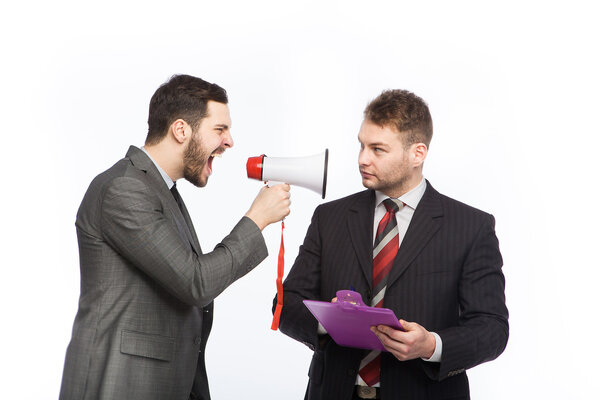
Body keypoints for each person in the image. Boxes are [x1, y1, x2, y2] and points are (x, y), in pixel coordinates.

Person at [59, 74, 291, 400]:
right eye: (220, 129)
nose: (230, 142)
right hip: (120, 386)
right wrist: (257, 220)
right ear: (181, 130)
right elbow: (196, 282)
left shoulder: (160, 189)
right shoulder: (124, 188)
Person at [276, 89, 508, 400]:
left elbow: (492, 328)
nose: (362, 158)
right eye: (361, 145)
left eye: (378, 149)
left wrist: (431, 345)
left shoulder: (471, 227)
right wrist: (326, 322)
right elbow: (286, 304)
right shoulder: (329, 217)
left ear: (418, 153)